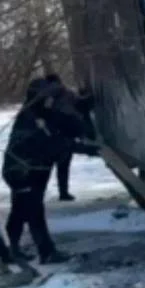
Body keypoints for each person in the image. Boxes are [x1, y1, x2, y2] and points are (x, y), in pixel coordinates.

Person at [1, 76, 98, 264]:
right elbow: (52, 143)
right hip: (24, 171)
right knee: (33, 211)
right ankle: (46, 252)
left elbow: (68, 118)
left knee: (20, 210)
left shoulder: (42, 114)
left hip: (31, 168)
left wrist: (84, 106)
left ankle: (11, 249)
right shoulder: (32, 120)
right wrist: (84, 148)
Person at [43, 73, 96, 202]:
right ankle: (63, 192)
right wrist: (90, 96)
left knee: (46, 166)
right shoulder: (66, 93)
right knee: (63, 164)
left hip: (47, 135)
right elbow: (80, 104)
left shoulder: (43, 96)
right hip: (66, 132)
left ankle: (38, 194)